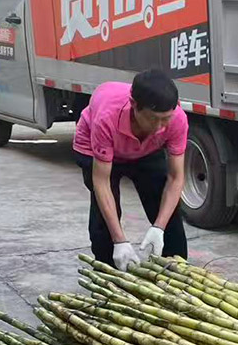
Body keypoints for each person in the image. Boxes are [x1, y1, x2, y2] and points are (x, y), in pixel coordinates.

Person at [73, 69, 189, 270]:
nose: (160, 126)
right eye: (153, 118)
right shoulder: (107, 117)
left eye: (165, 118)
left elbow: (175, 178)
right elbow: (101, 182)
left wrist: (159, 227)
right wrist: (119, 240)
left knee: (167, 212)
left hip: (146, 149)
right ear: (134, 105)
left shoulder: (177, 119)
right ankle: (108, 272)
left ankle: (177, 270)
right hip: (96, 148)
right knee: (104, 218)